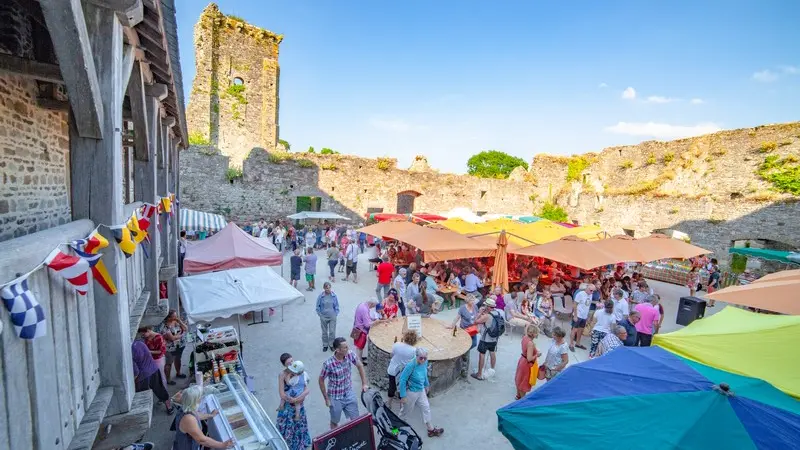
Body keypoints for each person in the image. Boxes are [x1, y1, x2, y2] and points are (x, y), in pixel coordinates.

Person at [319, 337, 368, 429]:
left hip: (349, 393)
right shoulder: (328, 364)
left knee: (356, 419)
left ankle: (355, 436)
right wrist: (326, 398)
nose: (348, 349)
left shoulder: (349, 354)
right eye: (345, 347)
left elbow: (360, 365)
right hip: (335, 397)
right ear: (338, 350)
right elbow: (321, 380)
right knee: (335, 421)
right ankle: (335, 437)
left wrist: (364, 384)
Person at [398, 348, 445, 437]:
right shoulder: (411, 365)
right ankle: (394, 431)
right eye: (421, 358)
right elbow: (403, 380)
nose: (423, 360)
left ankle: (431, 430)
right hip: (411, 392)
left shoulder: (424, 362)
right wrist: (403, 396)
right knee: (404, 413)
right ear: (416, 356)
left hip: (421, 390)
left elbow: (424, 373)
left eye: (425, 358)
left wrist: (426, 384)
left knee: (426, 407)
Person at [276, 354, 311, 449]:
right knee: (288, 427)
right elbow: (282, 394)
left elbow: (307, 389)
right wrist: (292, 399)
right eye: (288, 363)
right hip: (288, 407)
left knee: (299, 426)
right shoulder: (282, 375)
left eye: (292, 361)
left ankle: (300, 444)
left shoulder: (300, 371)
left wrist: (297, 398)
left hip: (298, 403)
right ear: (284, 365)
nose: (292, 363)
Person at [132, 336, 173, 414]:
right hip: (154, 369)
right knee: (160, 388)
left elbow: (136, 372)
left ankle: (144, 412)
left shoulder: (130, 351)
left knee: (142, 395)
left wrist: (133, 383)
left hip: (143, 376)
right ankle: (169, 406)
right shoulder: (140, 343)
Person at [471, 298, 502, 381]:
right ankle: (492, 369)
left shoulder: (487, 316)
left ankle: (479, 374)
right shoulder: (497, 313)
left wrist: (480, 313)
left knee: (482, 354)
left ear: (488, 306)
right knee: (492, 352)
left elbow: (475, 321)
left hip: (485, 338)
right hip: (494, 338)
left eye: (485, 305)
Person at [387, 330, 418, 409]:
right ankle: (402, 409)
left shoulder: (396, 345)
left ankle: (389, 404)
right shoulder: (414, 351)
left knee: (392, 387)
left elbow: (391, 355)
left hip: (392, 370)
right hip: (402, 373)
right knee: (402, 391)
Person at [158, 309, 187, 385]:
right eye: (174, 316)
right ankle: (168, 379)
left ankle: (178, 373)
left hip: (179, 345)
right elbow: (172, 338)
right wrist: (181, 334)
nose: (176, 317)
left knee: (178, 359)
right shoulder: (164, 326)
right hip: (169, 348)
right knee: (169, 363)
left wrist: (180, 321)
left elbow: (185, 329)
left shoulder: (177, 322)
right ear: (169, 317)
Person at [514, 324, 540, 400]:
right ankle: (522, 400)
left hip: (522, 360)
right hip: (526, 364)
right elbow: (529, 358)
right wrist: (537, 355)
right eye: (536, 333)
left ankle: (518, 395)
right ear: (533, 334)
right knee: (524, 382)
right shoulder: (530, 343)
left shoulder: (525, 337)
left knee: (519, 379)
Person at [316, 282, 340, 351]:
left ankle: (331, 344)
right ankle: (325, 344)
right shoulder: (321, 296)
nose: (328, 289)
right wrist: (320, 315)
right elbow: (317, 307)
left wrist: (336, 314)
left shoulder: (334, 296)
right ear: (324, 288)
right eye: (327, 288)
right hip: (323, 317)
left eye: (329, 288)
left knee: (332, 331)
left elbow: (336, 306)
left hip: (332, 316)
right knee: (324, 332)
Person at [570, 283, 593, 352]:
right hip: (578, 315)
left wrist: (588, 316)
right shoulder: (580, 294)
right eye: (591, 290)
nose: (592, 292)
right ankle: (571, 344)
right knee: (574, 330)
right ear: (587, 288)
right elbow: (575, 305)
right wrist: (575, 315)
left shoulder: (591, 294)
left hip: (584, 316)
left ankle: (578, 343)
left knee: (581, 330)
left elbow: (588, 305)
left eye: (593, 291)